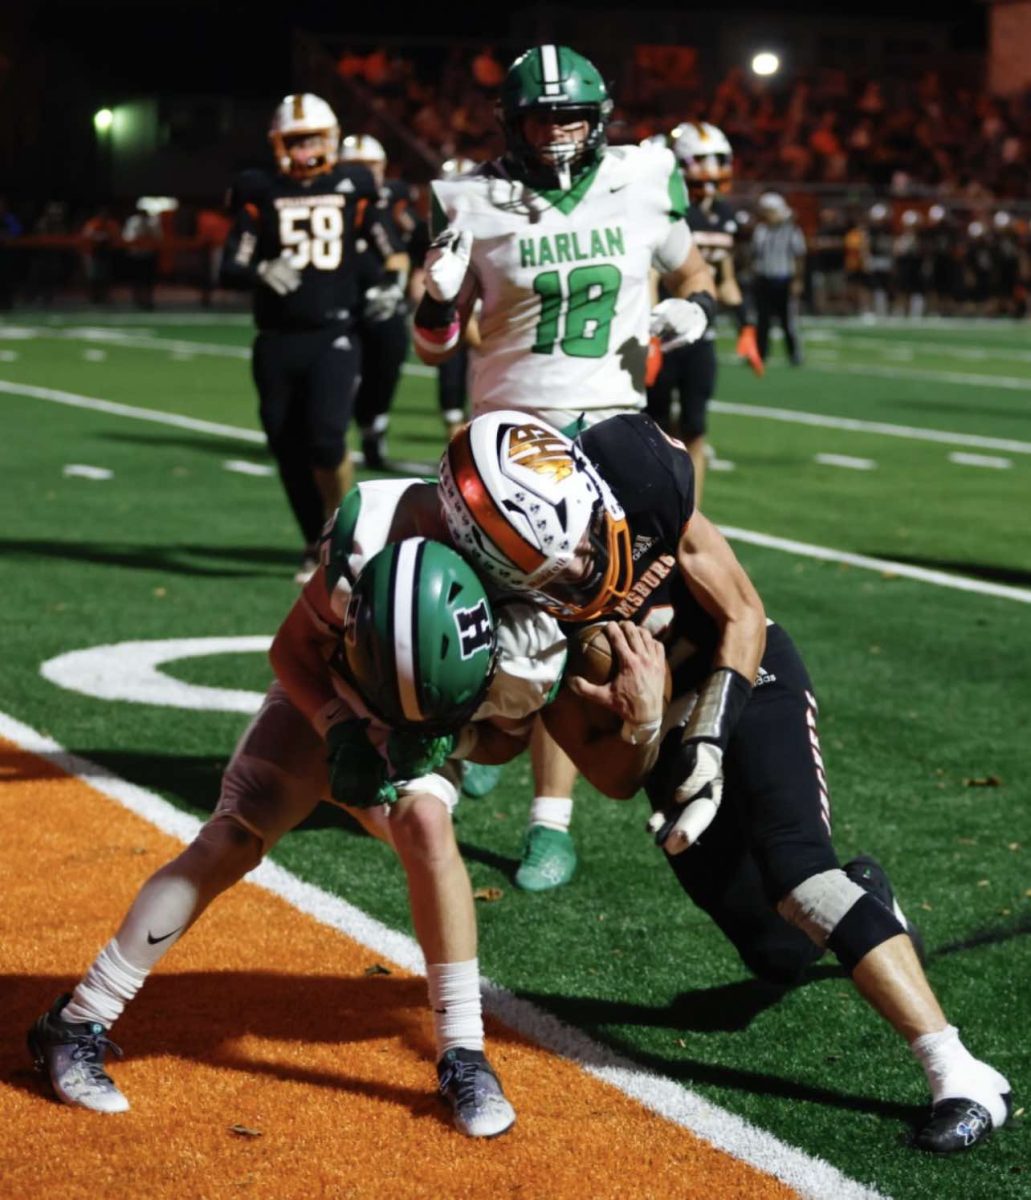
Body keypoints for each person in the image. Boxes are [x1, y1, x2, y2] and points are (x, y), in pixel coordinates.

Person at [438, 408, 1013, 1155]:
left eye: (578, 533)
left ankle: (961, 1074)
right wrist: (646, 726)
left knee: (800, 875)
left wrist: (707, 735)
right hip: (663, 728)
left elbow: (742, 610)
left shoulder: (634, 477)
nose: (580, 563)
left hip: (746, 674)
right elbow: (613, 777)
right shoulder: (524, 629)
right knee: (775, 952)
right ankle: (866, 892)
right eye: (548, 563)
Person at [28, 486, 567, 1137]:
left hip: (427, 723)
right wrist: (338, 726)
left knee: (426, 824)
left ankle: (464, 1052)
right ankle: (77, 1020)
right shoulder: (372, 542)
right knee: (234, 835)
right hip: (336, 691)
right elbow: (291, 648)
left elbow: (511, 735)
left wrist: (456, 737)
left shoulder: (537, 625)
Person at [413, 43, 715, 892]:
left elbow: (691, 267)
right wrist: (436, 300)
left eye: (571, 114)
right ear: (510, 120)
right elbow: (431, 339)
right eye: (541, 115)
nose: (557, 132)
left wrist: (691, 306)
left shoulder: (646, 175)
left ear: (600, 116)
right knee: (489, 629)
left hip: (612, 438)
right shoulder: (471, 199)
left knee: (577, 635)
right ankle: (467, 747)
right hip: (507, 450)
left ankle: (551, 821)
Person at [219, 94, 382, 583]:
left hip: (334, 330)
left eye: (313, 137)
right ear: (278, 144)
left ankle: (341, 533)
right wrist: (261, 268)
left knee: (327, 436)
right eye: (296, 139)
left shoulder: (354, 186)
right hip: (275, 338)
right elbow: (232, 263)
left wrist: (391, 285)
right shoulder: (258, 189)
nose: (306, 148)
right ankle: (314, 538)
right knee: (285, 443)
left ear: (330, 140)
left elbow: (385, 246)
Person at [647, 122, 763, 503]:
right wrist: (647, 332)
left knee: (696, 427)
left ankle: (691, 514)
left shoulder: (724, 214)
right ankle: (657, 507)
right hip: (665, 332)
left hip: (702, 334)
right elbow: (650, 274)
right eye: (700, 168)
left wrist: (747, 324)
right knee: (656, 427)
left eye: (717, 168)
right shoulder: (669, 211)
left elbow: (724, 279)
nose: (709, 181)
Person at [338, 133, 414, 470]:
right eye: (355, 166)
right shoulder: (330, 198)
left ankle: (374, 426)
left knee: (389, 359)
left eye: (370, 165)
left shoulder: (392, 196)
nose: (364, 173)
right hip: (342, 299)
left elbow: (409, 239)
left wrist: (397, 285)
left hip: (384, 295)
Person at [751, 192, 805, 365]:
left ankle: (794, 354)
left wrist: (798, 280)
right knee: (763, 320)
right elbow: (754, 255)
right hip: (764, 279)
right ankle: (761, 353)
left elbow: (799, 257)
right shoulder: (761, 231)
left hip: (784, 279)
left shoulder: (792, 231)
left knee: (787, 320)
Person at [122, 199, 162, 310]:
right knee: (136, 279)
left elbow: (158, 238)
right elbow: (127, 237)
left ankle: (148, 300)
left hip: (148, 254)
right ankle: (137, 300)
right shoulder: (133, 221)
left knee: (149, 280)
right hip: (136, 255)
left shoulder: (153, 222)